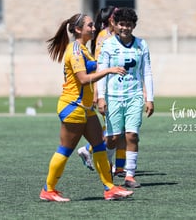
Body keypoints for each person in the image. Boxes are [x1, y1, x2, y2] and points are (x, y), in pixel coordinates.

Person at [40, 13, 134, 202]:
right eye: (90, 25)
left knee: (99, 145)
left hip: (85, 107)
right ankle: (48, 190)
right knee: (65, 149)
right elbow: (83, 79)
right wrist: (107, 70)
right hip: (72, 106)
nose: (93, 28)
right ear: (78, 29)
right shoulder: (74, 50)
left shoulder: (83, 48)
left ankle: (109, 188)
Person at [97, 7, 154, 188]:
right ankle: (105, 167)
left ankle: (129, 175)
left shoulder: (141, 45)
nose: (125, 28)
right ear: (114, 24)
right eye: (122, 24)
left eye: (129, 25)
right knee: (113, 139)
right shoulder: (108, 45)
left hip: (134, 96)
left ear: (134, 26)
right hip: (113, 96)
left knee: (132, 136)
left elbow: (147, 72)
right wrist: (101, 97)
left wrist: (149, 98)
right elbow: (101, 72)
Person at [77, 6, 127, 177]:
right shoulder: (104, 38)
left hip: (114, 86)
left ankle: (118, 167)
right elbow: (100, 66)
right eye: (117, 17)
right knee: (116, 127)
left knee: (118, 127)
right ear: (110, 20)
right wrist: (98, 94)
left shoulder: (113, 36)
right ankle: (90, 150)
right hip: (103, 87)